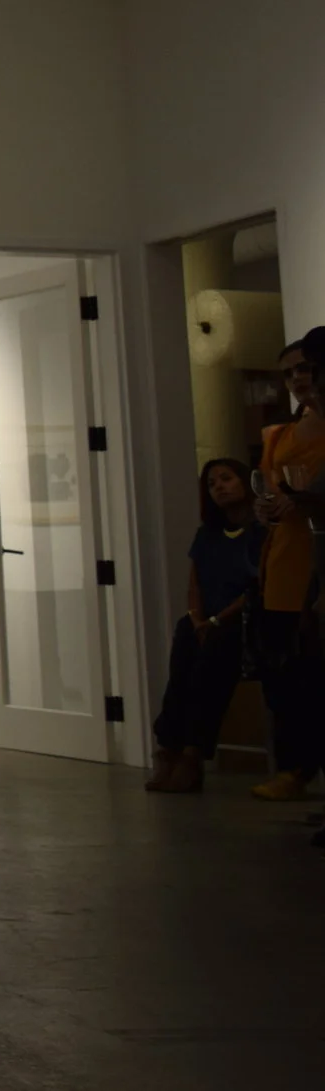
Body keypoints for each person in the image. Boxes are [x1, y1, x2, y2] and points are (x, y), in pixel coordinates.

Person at [146, 459, 265, 792]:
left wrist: (215, 620)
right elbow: (194, 584)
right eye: (212, 484)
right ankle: (169, 747)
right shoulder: (208, 535)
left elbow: (257, 589)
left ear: (245, 482)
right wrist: (198, 617)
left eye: (226, 479)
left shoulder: (261, 531)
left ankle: (191, 752)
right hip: (206, 622)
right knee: (185, 645)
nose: (219, 487)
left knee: (211, 656)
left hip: (242, 622)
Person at [250, 331, 325, 802]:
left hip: (317, 555)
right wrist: (266, 508)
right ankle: (294, 768)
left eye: (303, 368)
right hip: (284, 558)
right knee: (285, 676)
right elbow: (269, 489)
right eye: (289, 372)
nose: (298, 378)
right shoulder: (279, 434)